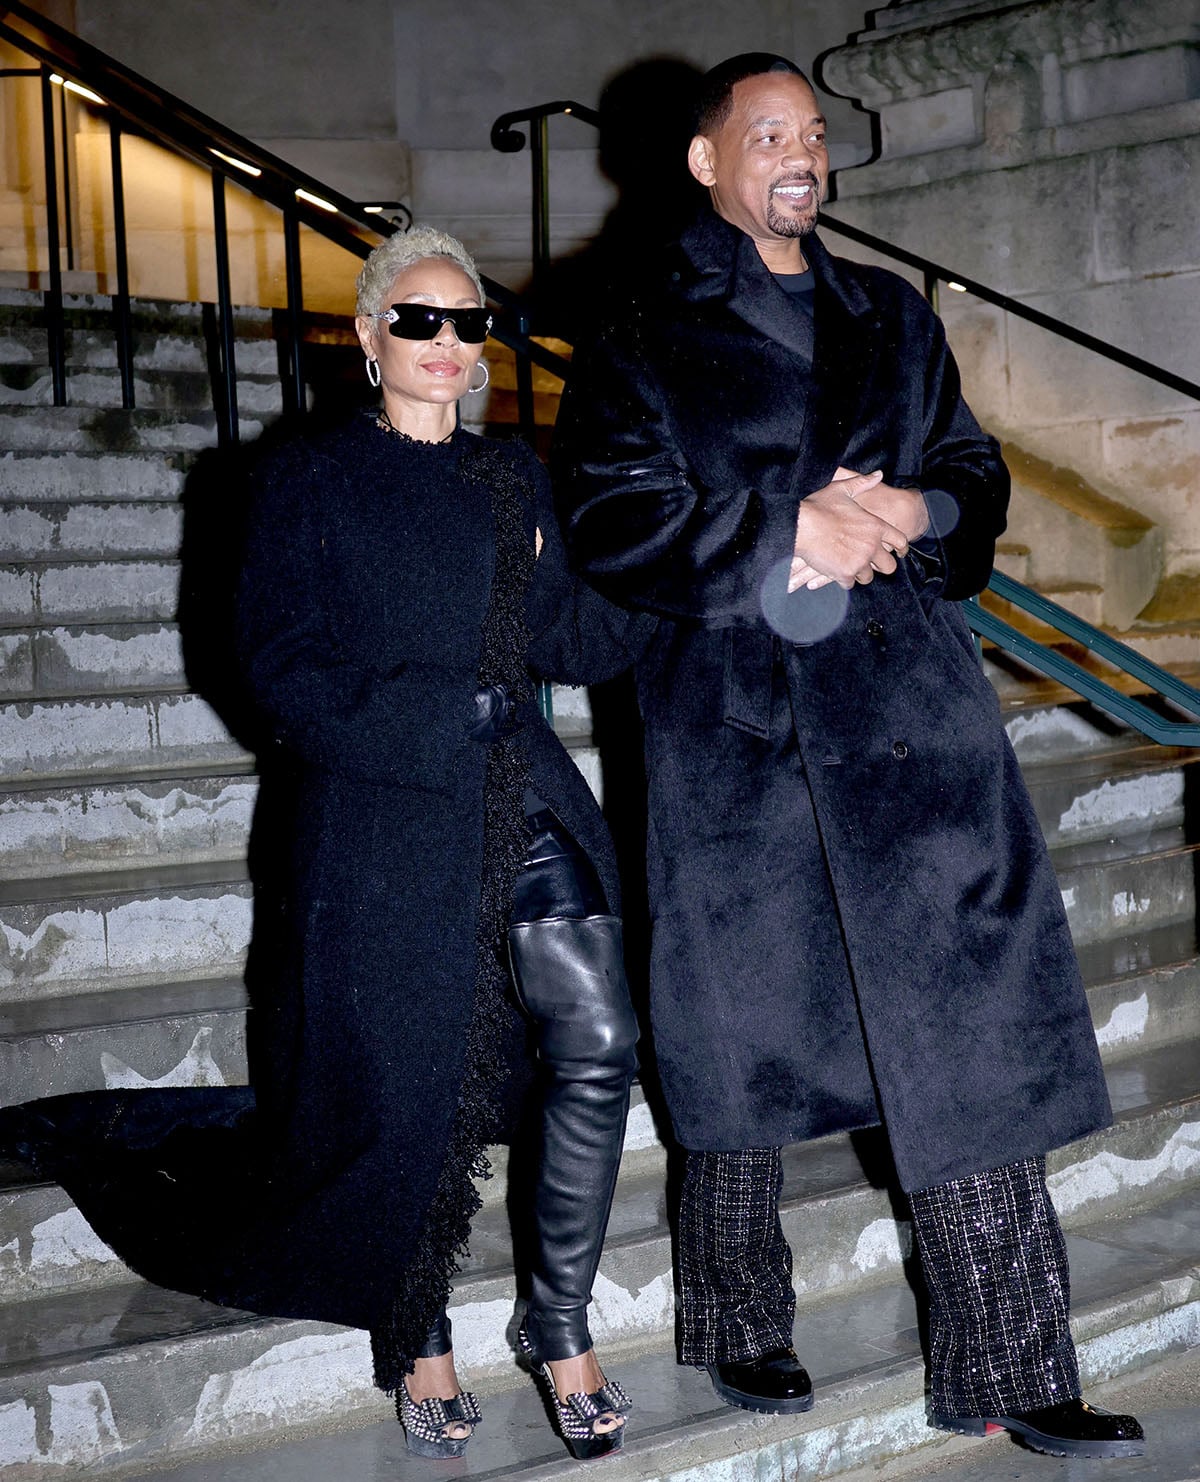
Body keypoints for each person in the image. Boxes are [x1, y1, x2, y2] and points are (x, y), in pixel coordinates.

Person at [550, 53, 1145, 1462]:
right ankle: (738, 1310)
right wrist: (779, 531)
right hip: (738, 733)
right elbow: (610, 516)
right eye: (769, 135)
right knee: (737, 1035)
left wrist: (923, 500)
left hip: (913, 726)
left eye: (814, 133)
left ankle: (1015, 1360)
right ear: (708, 163)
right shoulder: (641, 327)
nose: (801, 155)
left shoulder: (890, 313)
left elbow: (978, 479)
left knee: (970, 1039)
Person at [0, 225, 653, 1462]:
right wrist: (433, 712)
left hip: (522, 798)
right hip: (381, 818)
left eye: (471, 324)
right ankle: (415, 1329)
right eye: (420, 320)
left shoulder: (515, 478)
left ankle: (557, 1324)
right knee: (400, 1083)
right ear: (365, 339)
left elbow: (578, 644)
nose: (450, 345)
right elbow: (274, 672)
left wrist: (612, 565)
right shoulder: (300, 478)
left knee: (601, 1035)